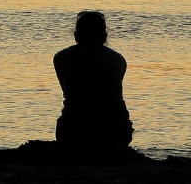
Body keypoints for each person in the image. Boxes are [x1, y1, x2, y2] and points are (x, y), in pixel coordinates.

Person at [53, 11, 134, 146]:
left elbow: (69, 91)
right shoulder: (119, 59)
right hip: (117, 132)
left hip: (73, 132)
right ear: (104, 36)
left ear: (76, 36)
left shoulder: (61, 58)